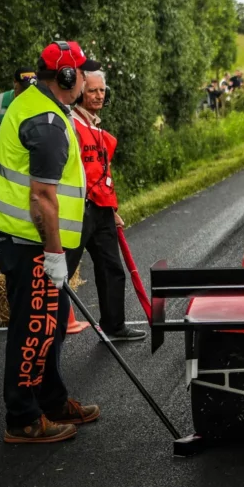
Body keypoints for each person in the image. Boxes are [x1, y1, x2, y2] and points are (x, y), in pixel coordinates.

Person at [0, 40, 102, 444]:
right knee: (34, 324)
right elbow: (42, 198)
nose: (86, 77)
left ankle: (51, 399)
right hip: (24, 236)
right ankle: (23, 418)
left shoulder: (41, 103)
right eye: (82, 71)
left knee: (53, 315)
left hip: (23, 233)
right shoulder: (47, 124)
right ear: (68, 77)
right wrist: (53, 254)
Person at [66, 68, 146, 341]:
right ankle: (47, 333)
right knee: (61, 273)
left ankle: (114, 326)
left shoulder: (97, 128)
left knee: (112, 268)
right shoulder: (72, 125)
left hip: (101, 210)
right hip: (77, 210)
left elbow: (103, 173)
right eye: (92, 91)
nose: (98, 96)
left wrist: (112, 209)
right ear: (79, 93)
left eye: (102, 91)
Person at [0, 67, 38, 149]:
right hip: (2, 159)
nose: (27, 92)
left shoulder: (40, 102)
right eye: (24, 88)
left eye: (31, 88)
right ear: (15, 83)